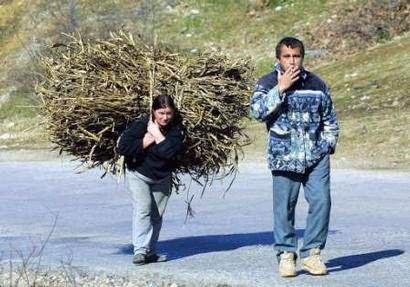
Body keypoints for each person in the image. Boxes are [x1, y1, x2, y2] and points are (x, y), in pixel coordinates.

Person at [250, 37, 339, 277]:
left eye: (296, 56)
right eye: (287, 56)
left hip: (316, 155)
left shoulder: (317, 83)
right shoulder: (267, 82)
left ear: (302, 57)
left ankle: (313, 254)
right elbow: (256, 112)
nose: (292, 61)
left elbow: (330, 117)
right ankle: (286, 255)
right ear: (278, 58)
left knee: (322, 201)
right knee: (284, 208)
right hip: (284, 155)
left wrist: (329, 143)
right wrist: (280, 88)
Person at [117, 94, 185, 265]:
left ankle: (150, 252)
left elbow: (171, 153)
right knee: (144, 209)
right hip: (139, 175)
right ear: (154, 111)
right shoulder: (141, 125)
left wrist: (157, 135)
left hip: (162, 178)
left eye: (169, 113)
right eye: (161, 113)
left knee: (156, 216)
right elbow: (122, 147)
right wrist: (144, 142)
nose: (165, 117)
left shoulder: (177, 129)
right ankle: (140, 251)